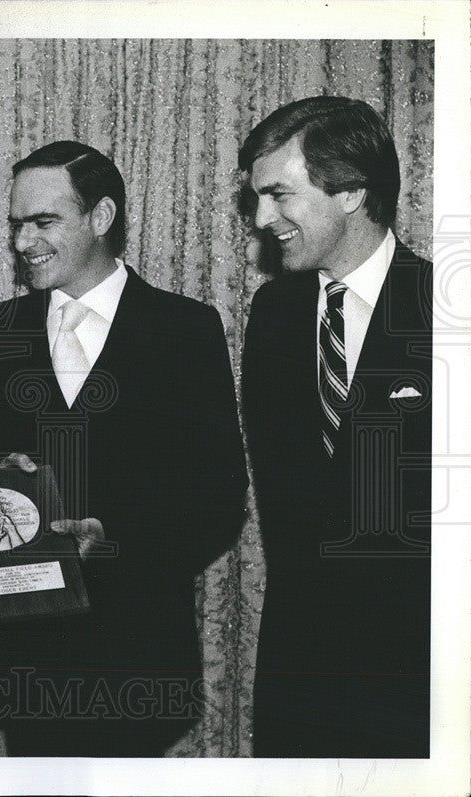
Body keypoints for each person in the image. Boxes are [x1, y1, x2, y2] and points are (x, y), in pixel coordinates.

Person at [0, 141, 247, 757]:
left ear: (101, 218)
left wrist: (109, 533)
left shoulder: (184, 330)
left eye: (43, 222)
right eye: (16, 226)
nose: (24, 242)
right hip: (26, 666)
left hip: (137, 660)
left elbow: (217, 496)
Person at [239, 96, 432, 757]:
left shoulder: (448, 316)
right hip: (299, 683)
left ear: (350, 190)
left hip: (421, 688)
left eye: (279, 195)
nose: (263, 219)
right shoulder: (271, 316)